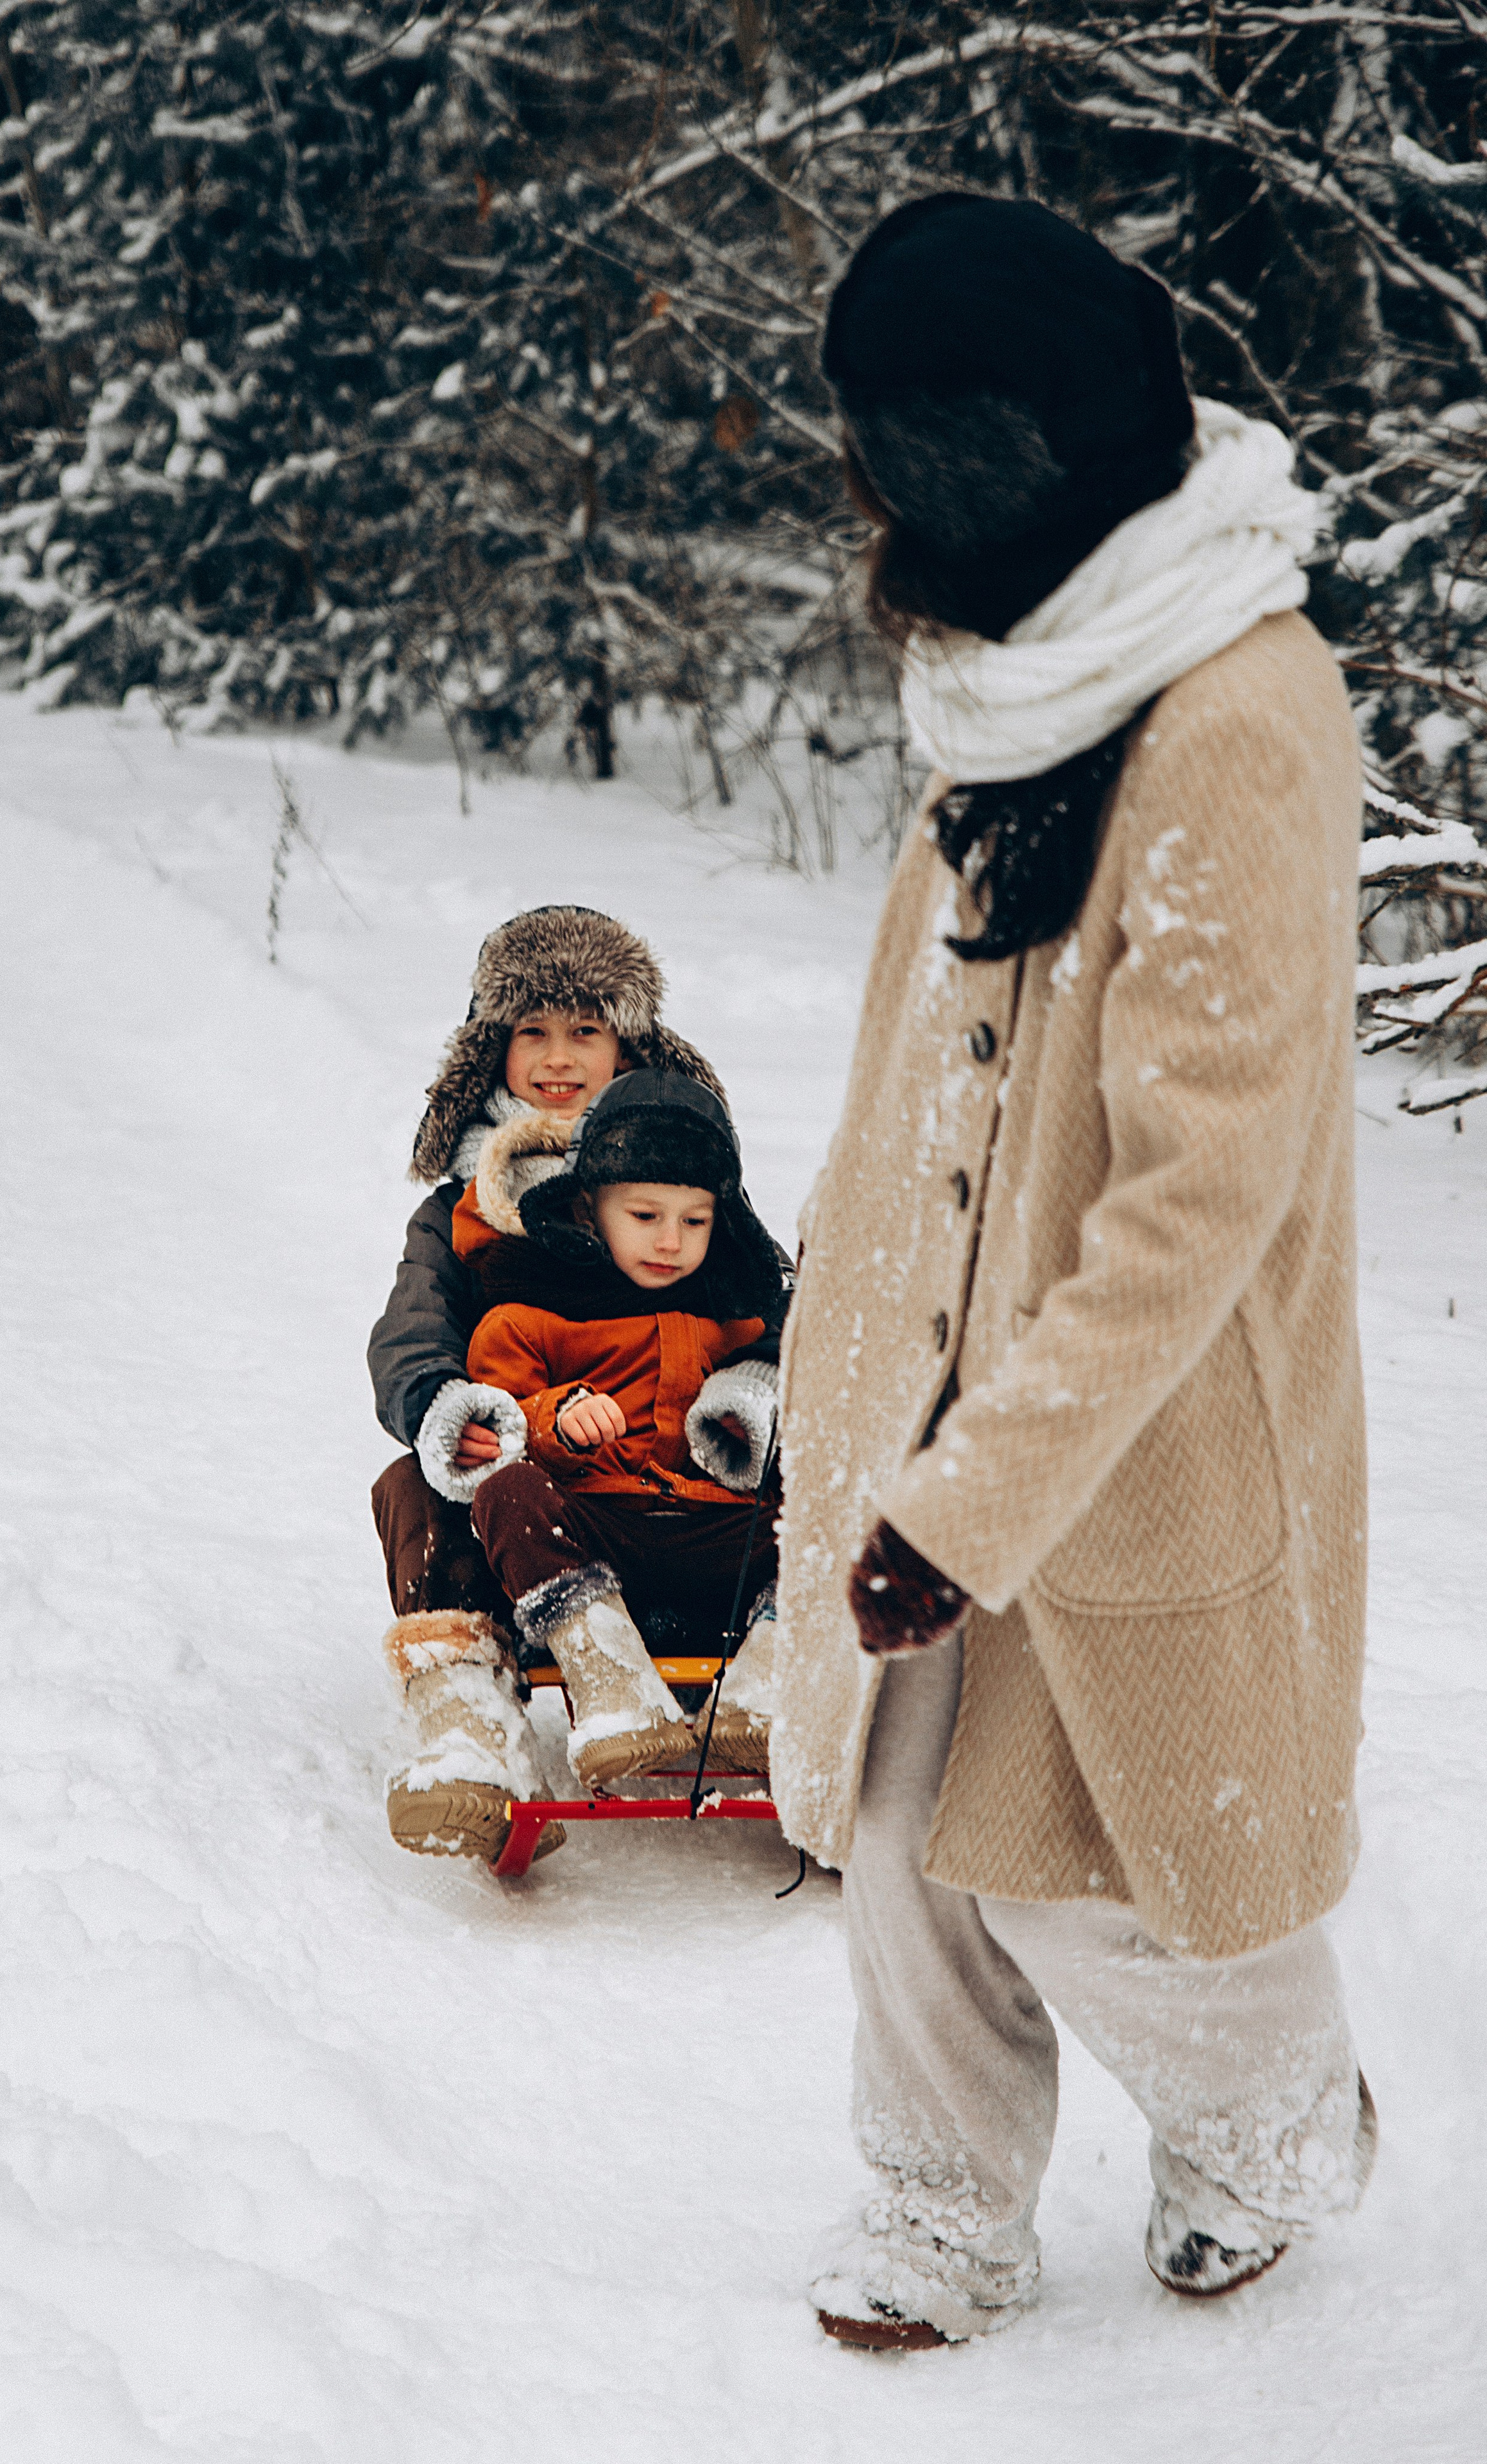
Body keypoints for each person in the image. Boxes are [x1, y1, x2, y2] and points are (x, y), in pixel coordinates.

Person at [768, 194, 1377, 2347]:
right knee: (904, 1830)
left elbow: (1198, 1191)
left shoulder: (1230, 706)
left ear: (991, 459)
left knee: (1118, 1869)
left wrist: (981, 1488)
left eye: (890, 457)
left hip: (1122, 1417)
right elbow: (914, 1054)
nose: (866, 505)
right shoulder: (1024, 669)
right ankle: (942, 2209)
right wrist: (833, 1343)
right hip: (924, 1382)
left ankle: (1276, 2129)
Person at [369, 910, 731, 1860]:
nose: (559, 1057)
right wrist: (453, 1414)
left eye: (586, 1031)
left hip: (681, 1504)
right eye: (534, 1030)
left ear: (629, 1045)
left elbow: (769, 1315)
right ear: (493, 1047)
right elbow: (412, 1335)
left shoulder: (691, 1191)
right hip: (535, 1505)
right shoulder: (457, 1210)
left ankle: (785, 1679)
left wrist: (754, 1405)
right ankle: (471, 1727)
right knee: (413, 1484)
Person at [411, 1070, 788, 1811]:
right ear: (591, 1208)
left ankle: (766, 1692)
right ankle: (609, 1678)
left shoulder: (735, 1317)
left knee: (830, 1503)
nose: (670, 1241)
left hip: (716, 1539)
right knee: (506, 1492)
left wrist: (755, 1416)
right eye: (644, 1215)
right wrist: (556, 1416)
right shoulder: (528, 1315)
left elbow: (794, 1375)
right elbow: (500, 1417)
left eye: (695, 1221)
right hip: (598, 1532)